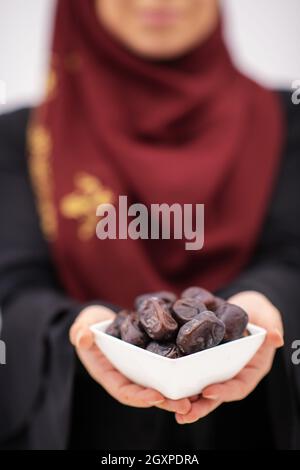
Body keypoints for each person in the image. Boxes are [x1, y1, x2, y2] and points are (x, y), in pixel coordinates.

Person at [0, 0, 299, 450]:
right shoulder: (18, 138)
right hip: (78, 422)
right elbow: (11, 288)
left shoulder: (287, 121)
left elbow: (293, 256)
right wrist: (78, 329)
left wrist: (261, 307)